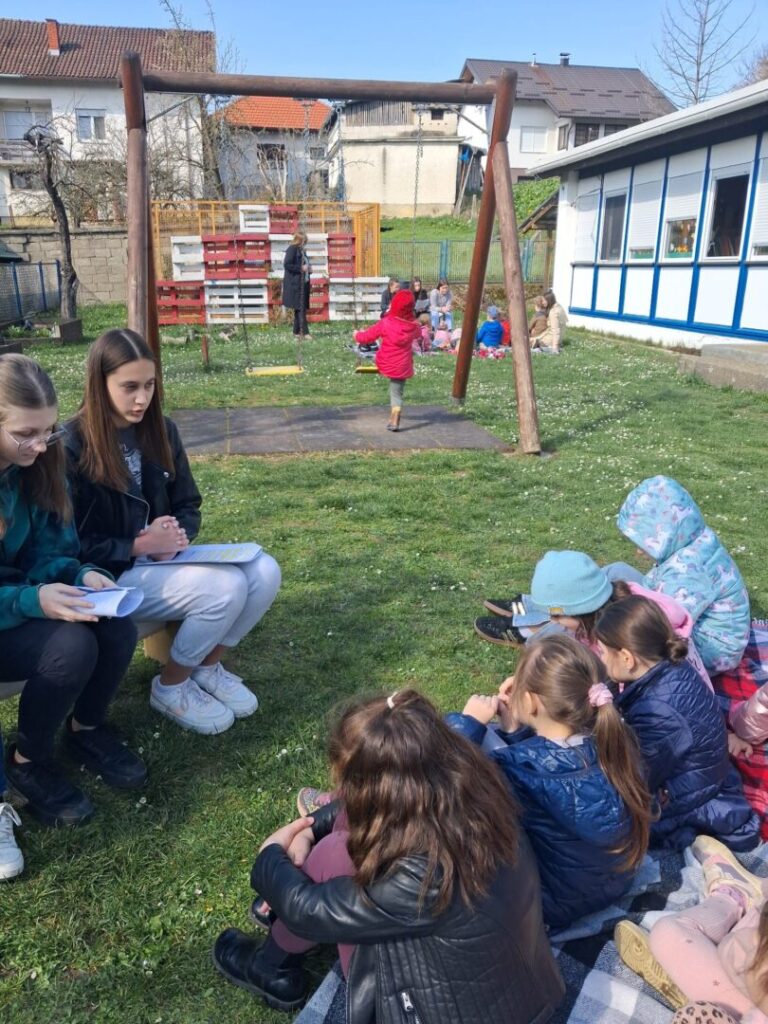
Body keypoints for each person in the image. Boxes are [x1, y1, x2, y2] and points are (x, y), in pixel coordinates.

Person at [213, 690, 565, 1021]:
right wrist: (308, 828)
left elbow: (308, 909)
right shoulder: (473, 787)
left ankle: (271, 966)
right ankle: (278, 931)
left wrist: (271, 855)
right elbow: (362, 806)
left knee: (336, 854)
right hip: (528, 992)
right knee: (346, 838)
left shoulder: (422, 874)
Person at [65, 329, 281, 735]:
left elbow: (188, 504)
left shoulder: (161, 430)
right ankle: (171, 686)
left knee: (265, 570)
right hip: (106, 576)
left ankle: (207, 667)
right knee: (226, 588)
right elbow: (66, 545)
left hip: (162, 562)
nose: (142, 399)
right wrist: (136, 545)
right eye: (129, 387)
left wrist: (175, 537)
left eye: (149, 385)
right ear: (99, 384)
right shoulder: (72, 445)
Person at [0, 354, 145, 832]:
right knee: (71, 646)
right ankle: (27, 761)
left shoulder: (40, 462)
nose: (40, 445)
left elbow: (53, 549)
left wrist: (82, 575)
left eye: (47, 431)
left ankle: (86, 728)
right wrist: (32, 600)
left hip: (26, 599)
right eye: (24, 434)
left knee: (114, 625)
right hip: (11, 609)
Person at [448, 634, 652, 930]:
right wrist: (516, 732)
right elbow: (557, 761)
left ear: (530, 701)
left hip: (554, 903)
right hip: (618, 881)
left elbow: (439, 777)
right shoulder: (617, 740)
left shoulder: (515, 767)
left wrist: (467, 724)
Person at [596, 596, 760, 851]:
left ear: (627, 658)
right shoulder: (673, 666)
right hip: (708, 781)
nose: (602, 659)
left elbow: (638, 778)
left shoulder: (656, 711)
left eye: (603, 652)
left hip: (695, 805)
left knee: (610, 831)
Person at [475, 550, 714, 691]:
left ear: (581, 610)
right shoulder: (628, 595)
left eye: (556, 616)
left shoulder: (623, 638)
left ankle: (525, 630)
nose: (554, 621)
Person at [616, 835, 768, 1023]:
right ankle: (735, 898)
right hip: (745, 975)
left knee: (668, 934)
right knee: (667, 935)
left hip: (743, 985)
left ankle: (732, 898)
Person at [618, 475, 750, 674]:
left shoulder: (689, 572)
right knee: (618, 573)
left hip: (714, 650)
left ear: (666, 534)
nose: (638, 551)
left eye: (647, 542)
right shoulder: (692, 541)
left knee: (642, 642)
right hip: (709, 630)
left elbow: (666, 622)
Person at [353, 290, 421, 432]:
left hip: (386, 362)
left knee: (378, 355)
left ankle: (394, 417)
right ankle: (395, 416)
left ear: (394, 305)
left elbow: (367, 337)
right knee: (396, 392)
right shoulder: (414, 326)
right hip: (403, 365)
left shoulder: (386, 323)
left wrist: (357, 335)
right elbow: (418, 333)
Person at [282, 231, 312, 340]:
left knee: (299, 308)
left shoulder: (302, 250)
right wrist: (301, 268)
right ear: (299, 240)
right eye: (304, 241)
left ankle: (296, 332)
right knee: (301, 308)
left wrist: (309, 269)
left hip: (303, 283)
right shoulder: (292, 249)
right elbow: (287, 264)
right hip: (295, 284)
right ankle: (305, 333)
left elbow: (305, 265)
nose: (305, 243)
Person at [533, 288, 567, 354]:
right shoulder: (559, 307)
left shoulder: (553, 312)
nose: (542, 303)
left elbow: (555, 330)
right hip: (558, 339)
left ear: (549, 300)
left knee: (528, 342)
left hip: (550, 340)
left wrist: (555, 347)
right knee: (534, 338)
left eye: (544, 300)